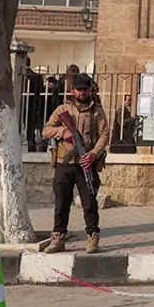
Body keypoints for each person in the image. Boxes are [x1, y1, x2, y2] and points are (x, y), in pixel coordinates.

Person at [42, 74, 108, 254]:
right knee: (61, 202)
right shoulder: (63, 109)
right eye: (79, 89)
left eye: (86, 89)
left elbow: (104, 135)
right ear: (73, 91)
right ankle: (58, 237)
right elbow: (46, 130)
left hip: (86, 163)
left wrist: (94, 153)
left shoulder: (97, 111)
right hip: (65, 162)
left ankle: (92, 236)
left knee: (89, 202)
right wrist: (64, 132)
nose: (83, 92)